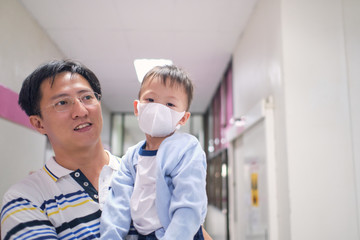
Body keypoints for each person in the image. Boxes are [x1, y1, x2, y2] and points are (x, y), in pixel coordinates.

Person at [0, 59, 137, 240]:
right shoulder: (25, 199)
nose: (80, 111)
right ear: (39, 124)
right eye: (62, 103)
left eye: (87, 97)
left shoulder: (139, 174)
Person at [100, 65, 208, 240]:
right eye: (150, 100)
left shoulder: (186, 149)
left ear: (183, 118)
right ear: (137, 107)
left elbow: (189, 204)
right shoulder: (132, 157)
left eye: (170, 104)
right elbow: (118, 202)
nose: (158, 108)